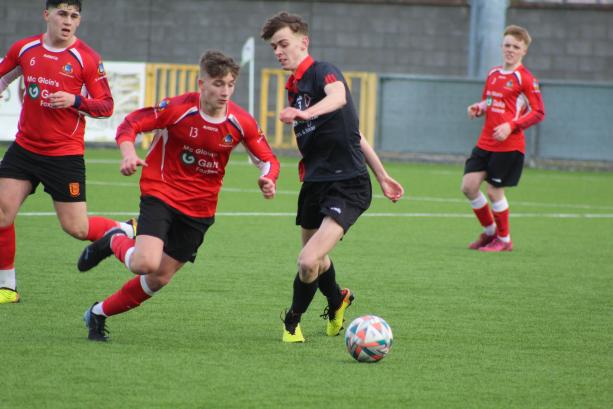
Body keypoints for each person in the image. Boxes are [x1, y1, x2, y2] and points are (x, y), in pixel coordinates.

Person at [77, 50, 280, 341]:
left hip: (200, 211)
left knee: (157, 278)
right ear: (202, 84)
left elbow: (268, 158)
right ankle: (115, 240)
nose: (225, 91)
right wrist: (128, 153)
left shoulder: (240, 122)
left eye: (230, 84)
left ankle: (97, 314)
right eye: (218, 84)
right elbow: (130, 124)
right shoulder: (179, 108)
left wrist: (267, 178)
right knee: (144, 263)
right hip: (162, 193)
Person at [260, 12, 405, 343]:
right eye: (274, 47)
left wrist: (305, 113)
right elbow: (355, 133)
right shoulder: (294, 89)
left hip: (348, 183)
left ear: (303, 42)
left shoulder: (323, 72)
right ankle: (338, 299)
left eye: (284, 44)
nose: (279, 51)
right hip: (314, 183)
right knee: (316, 261)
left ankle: (291, 323)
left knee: (307, 259)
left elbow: (338, 97)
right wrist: (383, 175)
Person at [0, 0, 135, 304]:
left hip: (64, 156)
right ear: (46, 14)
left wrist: (74, 100)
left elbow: (106, 107)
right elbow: (4, 76)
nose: (68, 21)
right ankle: (7, 286)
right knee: (1, 214)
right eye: (62, 13)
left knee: (76, 228)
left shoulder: (86, 58)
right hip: (24, 149)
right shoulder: (24, 49)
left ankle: (125, 228)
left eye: (74, 16)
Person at [462, 25, 545, 252]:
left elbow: (538, 112)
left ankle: (505, 239)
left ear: (524, 51)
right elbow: (489, 102)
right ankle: (491, 234)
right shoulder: (493, 74)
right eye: (507, 45)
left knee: (494, 191)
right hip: (485, 142)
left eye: (516, 47)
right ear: (502, 46)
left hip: (508, 146)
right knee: (468, 186)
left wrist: (511, 125)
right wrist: (478, 108)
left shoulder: (526, 79)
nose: (510, 50)